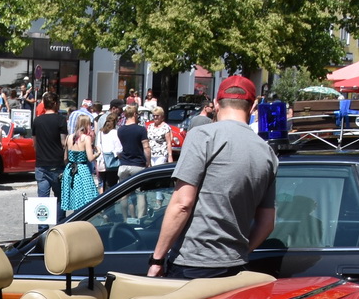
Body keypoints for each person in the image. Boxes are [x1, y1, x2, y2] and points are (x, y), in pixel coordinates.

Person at [147, 74, 277, 279]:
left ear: (216, 104)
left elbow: (182, 203)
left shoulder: (203, 136)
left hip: (192, 262)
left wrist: (156, 260)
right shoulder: (266, 151)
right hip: (236, 266)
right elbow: (267, 223)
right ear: (252, 107)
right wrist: (241, 252)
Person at [30, 95, 69, 202]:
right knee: (60, 198)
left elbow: (35, 143)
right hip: (57, 162)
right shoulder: (61, 120)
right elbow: (63, 143)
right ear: (55, 104)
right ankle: (60, 219)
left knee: (43, 200)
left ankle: (44, 218)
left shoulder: (37, 121)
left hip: (41, 163)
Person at [60, 118, 98, 214]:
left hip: (70, 169)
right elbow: (90, 158)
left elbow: (65, 158)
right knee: (88, 198)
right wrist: (98, 153)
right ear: (86, 125)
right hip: (82, 169)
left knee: (74, 198)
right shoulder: (86, 138)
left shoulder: (69, 137)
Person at [115, 105, 149, 181]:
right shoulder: (141, 130)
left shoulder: (120, 130)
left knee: (123, 191)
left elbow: (118, 150)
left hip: (124, 165)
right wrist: (148, 162)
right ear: (134, 114)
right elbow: (146, 147)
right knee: (138, 191)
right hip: (138, 165)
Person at [97, 108, 124, 190]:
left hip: (102, 162)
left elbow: (98, 146)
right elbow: (119, 149)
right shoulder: (115, 132)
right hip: (112, 163)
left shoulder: (100, 132)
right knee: (112, 186)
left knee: (102, 184)